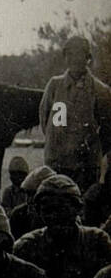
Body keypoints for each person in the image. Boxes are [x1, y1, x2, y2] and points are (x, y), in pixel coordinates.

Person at [13, 174, 111, 278]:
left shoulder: (97, 241)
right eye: (48, 210)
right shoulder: (26, 247)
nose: (55, 216)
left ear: (78, 209)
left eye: (63, 210)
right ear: (39, 211)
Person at [39, 34, 111, 192]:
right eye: (70, 54)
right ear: (65, 57)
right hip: (56, 163)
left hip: (85, 166)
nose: (75, 59)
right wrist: (58, 144)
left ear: (88, 58)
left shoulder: (100, 91)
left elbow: (107, 130)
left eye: (80, 54)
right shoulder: (55, 85)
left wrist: (93, 152)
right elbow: (45, 121)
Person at [8, 164, 55, 239]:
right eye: (27, 194)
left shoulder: (59, 218)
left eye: (33, 194)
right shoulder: (18, 215)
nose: (29, 200)